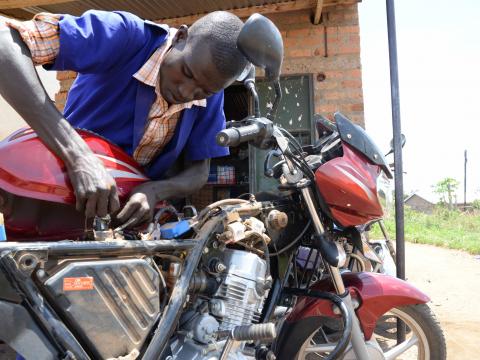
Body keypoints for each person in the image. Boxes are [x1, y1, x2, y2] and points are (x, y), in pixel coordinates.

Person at [0, 10, 248, 227]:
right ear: (181, 37)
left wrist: (154, 190)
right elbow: (5, 45)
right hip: (54, 197)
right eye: (186, 73)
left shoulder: (210, 93)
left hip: (122, 224)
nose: (186, 92)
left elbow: (198, 172)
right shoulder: (123, 35)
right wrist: (79, 157)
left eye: (203, 91)